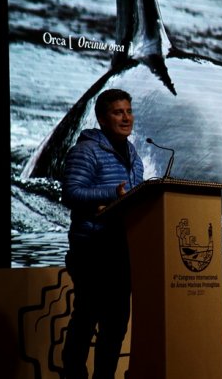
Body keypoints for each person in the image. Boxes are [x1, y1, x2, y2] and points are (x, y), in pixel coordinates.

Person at [61, 88, 144, 379]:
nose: (126, 117)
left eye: (129, 111)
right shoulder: (85, 151)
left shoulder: (133, 154)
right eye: (118, 112)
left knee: (116, 324)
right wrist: (112, 193)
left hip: (121, 251)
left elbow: (135, 198)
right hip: (92, 249)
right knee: (86, 320)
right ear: (101, 118)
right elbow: (71, 192)